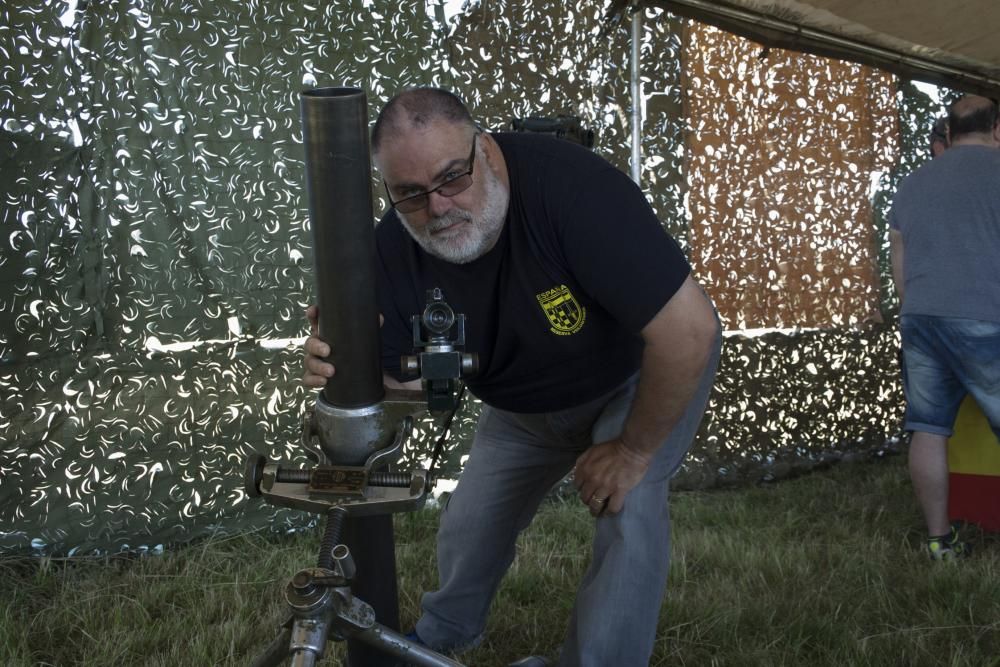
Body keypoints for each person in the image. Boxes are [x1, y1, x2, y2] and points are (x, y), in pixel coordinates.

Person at [303, 87, 721, 665]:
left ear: (488, 151)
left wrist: (631, 451)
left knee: (629, 504)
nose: (438, 207)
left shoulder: (572, 190)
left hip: (635, 379)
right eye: (410, 194)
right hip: (523, 407)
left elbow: (690, 331)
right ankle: (442, 635)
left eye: (452, 177)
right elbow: (410, 389)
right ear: (389, 190)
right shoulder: (391, 248)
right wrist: (345, 368)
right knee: (470, 520)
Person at [889, 94, 1000, 560]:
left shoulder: (912, 184)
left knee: (929, 429)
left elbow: (899, 262)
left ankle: (939, 542)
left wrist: (916, 306)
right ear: (996, 130)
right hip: (984, 318)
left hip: (921, 318)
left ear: (948, 133)